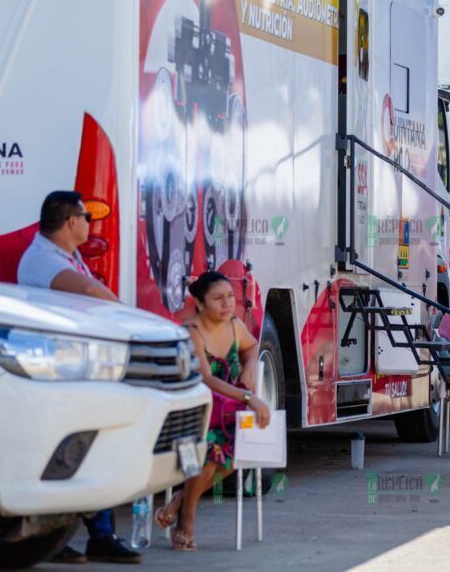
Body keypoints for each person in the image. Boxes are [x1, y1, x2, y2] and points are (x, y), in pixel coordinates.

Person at [16, 191, 137, 564]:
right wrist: (128, 317)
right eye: (86, 217)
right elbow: (88, 291)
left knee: (84, 451)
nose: (90, 224)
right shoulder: (41, 260)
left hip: (71, 369)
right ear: (71, 222)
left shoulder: (65, 255)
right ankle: (65, 537)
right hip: (51, 373)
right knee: (65, 455)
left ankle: (95, 535)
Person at [155, 271, 271, 549]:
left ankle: (179, 501)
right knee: (211, 451)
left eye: (230, 296)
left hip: (227, 412)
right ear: (199, 303)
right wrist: (249, 397)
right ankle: (186, 524)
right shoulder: (191, 331)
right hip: (193, 412)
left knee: (241, 448)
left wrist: (250, 366)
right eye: (218, 298)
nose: (227, 303)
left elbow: (253, 347)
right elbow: (207, 379)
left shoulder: (234, 326)